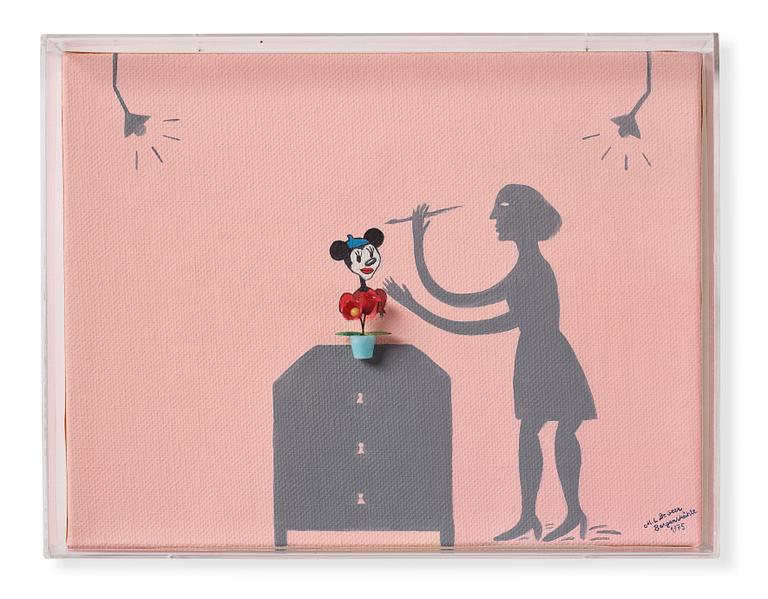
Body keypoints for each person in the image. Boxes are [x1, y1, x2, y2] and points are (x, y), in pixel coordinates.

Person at [384, 185, 596, 542]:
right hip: (534, 357)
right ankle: (532, 516)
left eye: (502, 211)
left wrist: (415, 306)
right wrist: (417, 242)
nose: (494, 218)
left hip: (549, 359)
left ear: (520, 219)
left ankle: (570, 512)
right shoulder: (525, 268)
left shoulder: (533, 271)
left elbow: (471, 322)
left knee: (560, 431)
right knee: (534, 432)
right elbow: (452, 298)